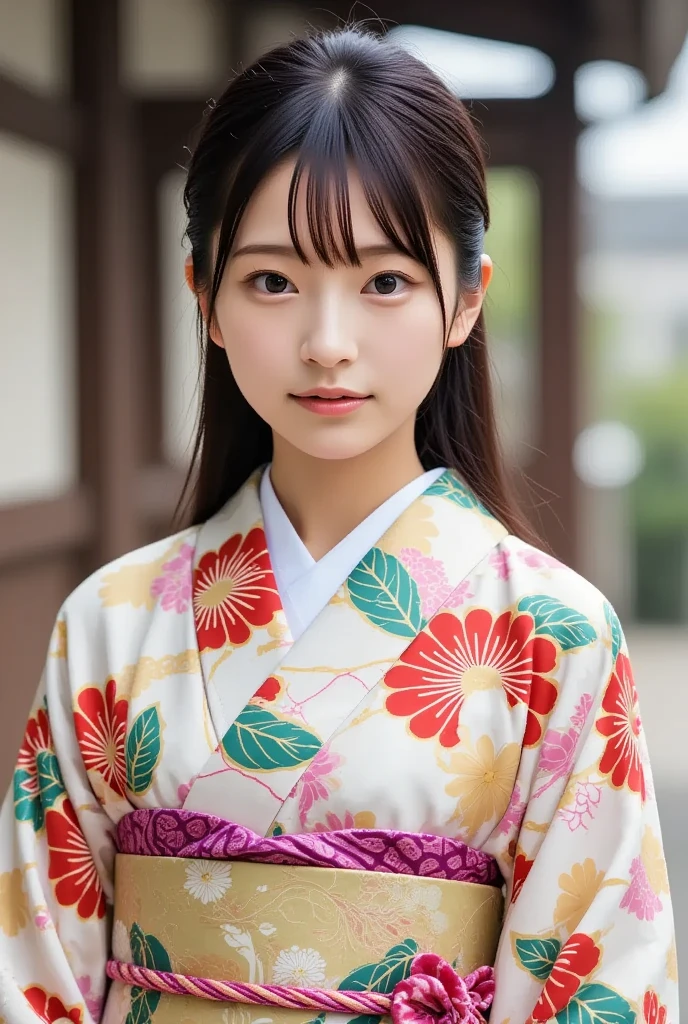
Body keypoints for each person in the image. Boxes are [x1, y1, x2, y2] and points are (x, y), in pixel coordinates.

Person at [0, 24, 676, 1024]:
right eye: (272, 281)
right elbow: (34, 968)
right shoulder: (110, 619)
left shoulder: (552, 633)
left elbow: (599, 981)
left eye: (385, 282)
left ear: (464, 300)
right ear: (207, 296)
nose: (326, 342)